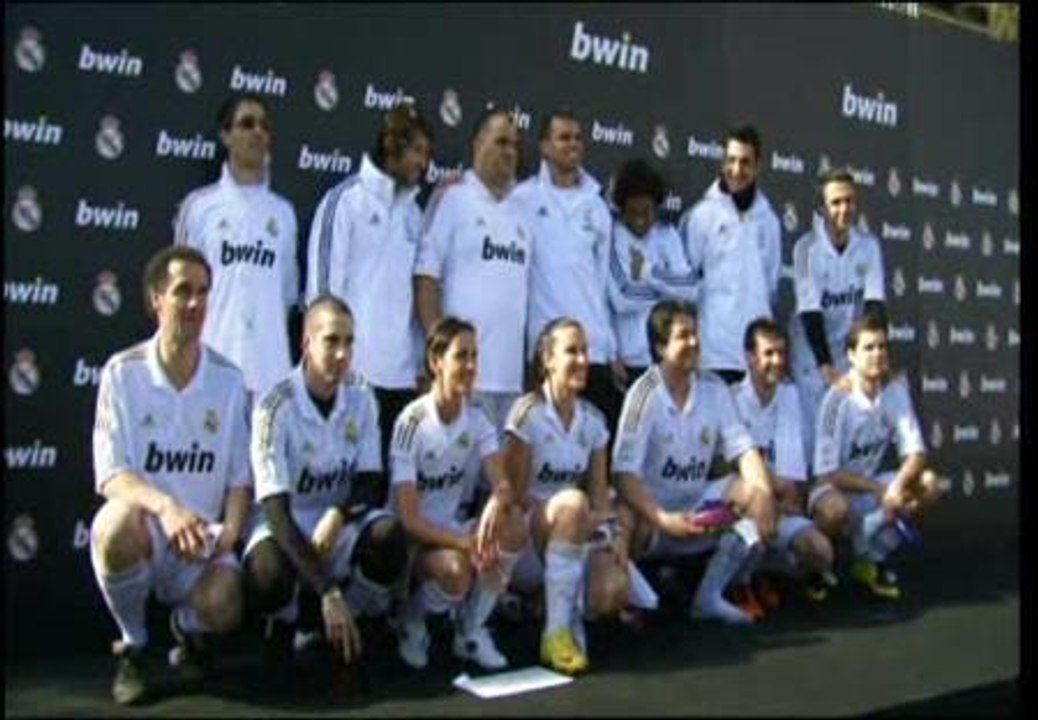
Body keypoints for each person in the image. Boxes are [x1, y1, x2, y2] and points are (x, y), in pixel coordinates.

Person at [89, 246, 252, 705]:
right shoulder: (123, 373)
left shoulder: (229, 379)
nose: (195, 304)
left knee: (226, 603)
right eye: (183, 292)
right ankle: (134, 645)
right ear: (156, 299)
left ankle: (186, 629)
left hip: (201, 543)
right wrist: (166, 507)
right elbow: (112, 476)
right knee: (112, 525)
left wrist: (232, 533)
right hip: (150, 531)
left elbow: (241, 478)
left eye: (203, 292)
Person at [241, 296, 407, 680]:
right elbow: (275, 512)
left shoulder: (362, 396)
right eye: (331, 341)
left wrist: (338, 513)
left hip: (336, 522)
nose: (342, 354)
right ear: (306, 343)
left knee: (387, 537)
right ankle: (287, 622)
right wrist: (326, 589)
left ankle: (352, 619)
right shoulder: (273, 405)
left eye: (349, 342)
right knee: (267, 576)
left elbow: (368, 481)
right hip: (287, 523)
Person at [612, 300, 776, 624]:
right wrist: (663, 519)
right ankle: (627, 602)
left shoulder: (714, 388)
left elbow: (744, 451)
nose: (693, 343)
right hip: (655, 514)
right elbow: (624, 474)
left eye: (696, 334)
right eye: (683, 336)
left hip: (698, 508)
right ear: (660, 346)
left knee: (753, 494)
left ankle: (711, 596)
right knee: (623, 516)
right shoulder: (643, 393)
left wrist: (764, 494)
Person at [389, 317, 527, 670]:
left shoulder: (477, 415)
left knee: (512, 523)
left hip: (454, 529)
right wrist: (468, 545)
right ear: (436, 362)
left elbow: (502, 483)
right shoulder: (411, 422)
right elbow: (408, 519)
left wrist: (498, 498)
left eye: (474, 357)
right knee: (456, 569)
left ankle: (471, 629)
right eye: (460, 356)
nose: (470, 366)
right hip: (415, 542)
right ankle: (411, 618)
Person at [305, 105, 434, 480]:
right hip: (350, 380)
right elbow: (321, 296)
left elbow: (412, 299)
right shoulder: (344, 201)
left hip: (400, 384)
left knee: (387, 500)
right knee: (343, 495)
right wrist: (333, 365)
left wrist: (417, 367)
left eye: (427, 154)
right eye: (417, 152)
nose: (424, 164)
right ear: (392, 147)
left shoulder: (414, 215)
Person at [503, 318, 630, 675]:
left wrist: (612, 536)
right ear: (548, 360)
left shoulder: (593, 420)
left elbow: (601, 499)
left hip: (571, 535)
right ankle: (556, 633)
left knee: (613, 591)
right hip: (526, 542)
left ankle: (552, 604)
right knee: (573, 504)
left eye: (585, 351)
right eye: (571, 351)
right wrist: (572, 521)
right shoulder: (526, 414)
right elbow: (515, 498)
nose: (582, 359)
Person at [173, 92, 300, 402]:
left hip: (271, 375)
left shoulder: (283, 214)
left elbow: (285, 298)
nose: (258, 132)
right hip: (210, 370)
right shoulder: (199, 207)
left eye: (264, 126)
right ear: (226, 136)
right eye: (247, 124)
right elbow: (179, 294)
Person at [809, 314, 942, 600]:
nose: (877, 354)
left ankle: (872, 558)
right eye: (868, 348)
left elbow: (916, 452)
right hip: (833, 489)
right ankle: (818, 568)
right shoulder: (835, 400)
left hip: (872, 486)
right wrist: (880, 489)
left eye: (882, 347)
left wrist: (896, 486)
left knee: (929, 484)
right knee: (834, 510)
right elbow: (828, 473)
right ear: (851, 355)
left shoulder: (895, 390)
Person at [413, 109, 531, 431]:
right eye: (501, 141)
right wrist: (438, 355)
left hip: (508, 382)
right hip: (461, 379)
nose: (510, 151)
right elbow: (426, 280)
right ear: (478, 144)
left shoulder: (524, 210)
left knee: (499, 480)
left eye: (515, 145)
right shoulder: (452, 198)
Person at [511, 110, 623, 428]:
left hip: (594, 355)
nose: (572, 144)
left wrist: (610, 346)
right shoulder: (522, 199)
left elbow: (602, 284)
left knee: (595, 459)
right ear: (544, 146)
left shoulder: (597, 205)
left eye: (577, 138)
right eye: (563, 138)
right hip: (547, 355)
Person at [726, 318, 836, 619]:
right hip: (741, 510)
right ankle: (739, 583)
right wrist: (771, 490)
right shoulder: (730, 399)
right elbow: (728, 471)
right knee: (753, 501)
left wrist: (783, 497)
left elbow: (793, 482)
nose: (776, 361)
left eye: (781, 353)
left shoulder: (790, 396)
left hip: (782, 507)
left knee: (820, 552)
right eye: (768, 354)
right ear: (750, 357)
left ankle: (767, 574)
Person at [790, 168, 887, 464]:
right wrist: (825, 366)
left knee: (844, 447)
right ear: (822, 207)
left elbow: (874, 307)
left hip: (848, 356)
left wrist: (872, 357)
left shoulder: (868, 246)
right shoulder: (806, 248)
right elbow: (810, 312)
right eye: (835, 203)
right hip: (811, 359)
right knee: (811, 446)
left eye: (849, 201)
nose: (844, 209)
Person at [679, 125, 781, 384]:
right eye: (731, 160)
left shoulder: (769, 220)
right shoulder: (702, 215)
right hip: (714, 354)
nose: (737, 170)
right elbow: (687, 284)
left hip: (756, 356)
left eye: (745, 162)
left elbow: (770, 284)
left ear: (758, 166)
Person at [607, 158, 699, 384]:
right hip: (629, 362)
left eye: (646, 212)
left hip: (667, 358)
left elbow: (690, 290)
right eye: (632, 212)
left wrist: (648, 272)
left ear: (656, 206)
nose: (640, 221)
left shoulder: (668, 235)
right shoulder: (612, 237)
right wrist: (668, 295)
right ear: (621, 208)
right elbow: (622, 296)